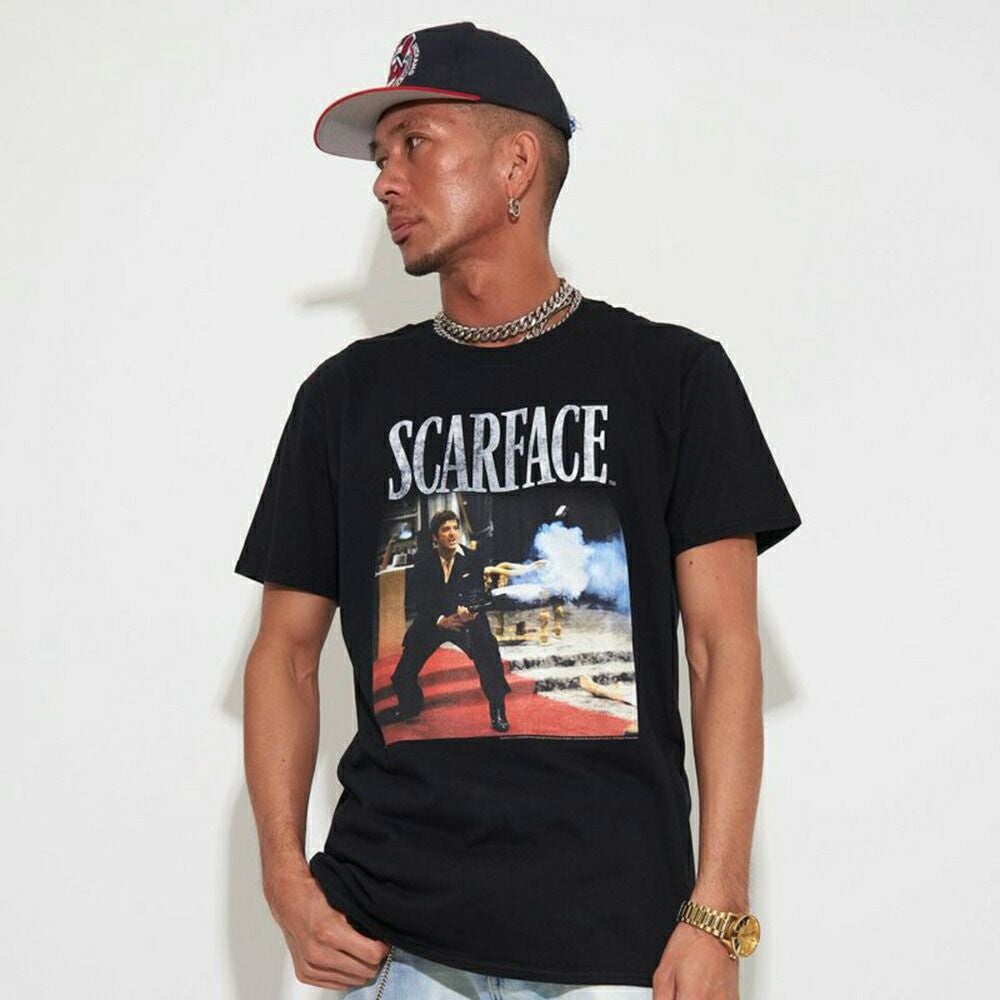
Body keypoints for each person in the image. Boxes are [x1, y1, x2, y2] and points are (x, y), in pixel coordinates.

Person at [234, 20, 802, 999]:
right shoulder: (344, 398)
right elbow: (283, 653)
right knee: (429, 660)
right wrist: (286, 884)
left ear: (515, 165)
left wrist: (717, 909)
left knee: (491, 664)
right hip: (387, 940)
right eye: (379, 157)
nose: (384, 182)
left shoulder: (673, 379)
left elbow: (722, 650)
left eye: (414, 144)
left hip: (616, 939)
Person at [386, 509, 512, 731]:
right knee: (402, 674)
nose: (452, 533)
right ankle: (410, 706)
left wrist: (471, 611)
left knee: (489, 656)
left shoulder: (474, 559)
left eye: (455, 528)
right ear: (435, 536)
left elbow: (478, 592)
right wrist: (439, 620)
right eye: (446, 529)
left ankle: (498, 710)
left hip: (466, 620)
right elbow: (418, 598)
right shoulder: (423, 561)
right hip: (434, 620)